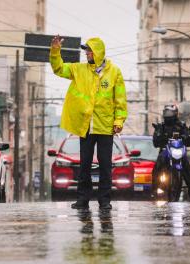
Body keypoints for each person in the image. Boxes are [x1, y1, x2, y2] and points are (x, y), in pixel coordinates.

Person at [50, 35, 127, 210]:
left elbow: (120, 100)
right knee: (84, 164)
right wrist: (55, 50)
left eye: (89, 51)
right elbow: (59, 69)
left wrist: (119, 121)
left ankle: (104, 200)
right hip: (86, 126)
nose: (87, 54)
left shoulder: (114, 72)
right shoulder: (79, 70)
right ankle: (82, 199)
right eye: (86, 51)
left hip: (105, 126)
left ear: (98, 52)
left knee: (105, 165)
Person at [151, 104, 190, 199]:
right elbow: (155, 141)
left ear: (175, 113)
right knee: (157, 165)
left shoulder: (181, 126)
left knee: (187, 166)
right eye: (166, 112)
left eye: (170, 112)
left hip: (178, 151)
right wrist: (158, 136)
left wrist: (188, 136)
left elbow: (189, 138)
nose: (168, 115)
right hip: (165, 151)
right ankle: (154, 187)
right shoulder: (161, 127)